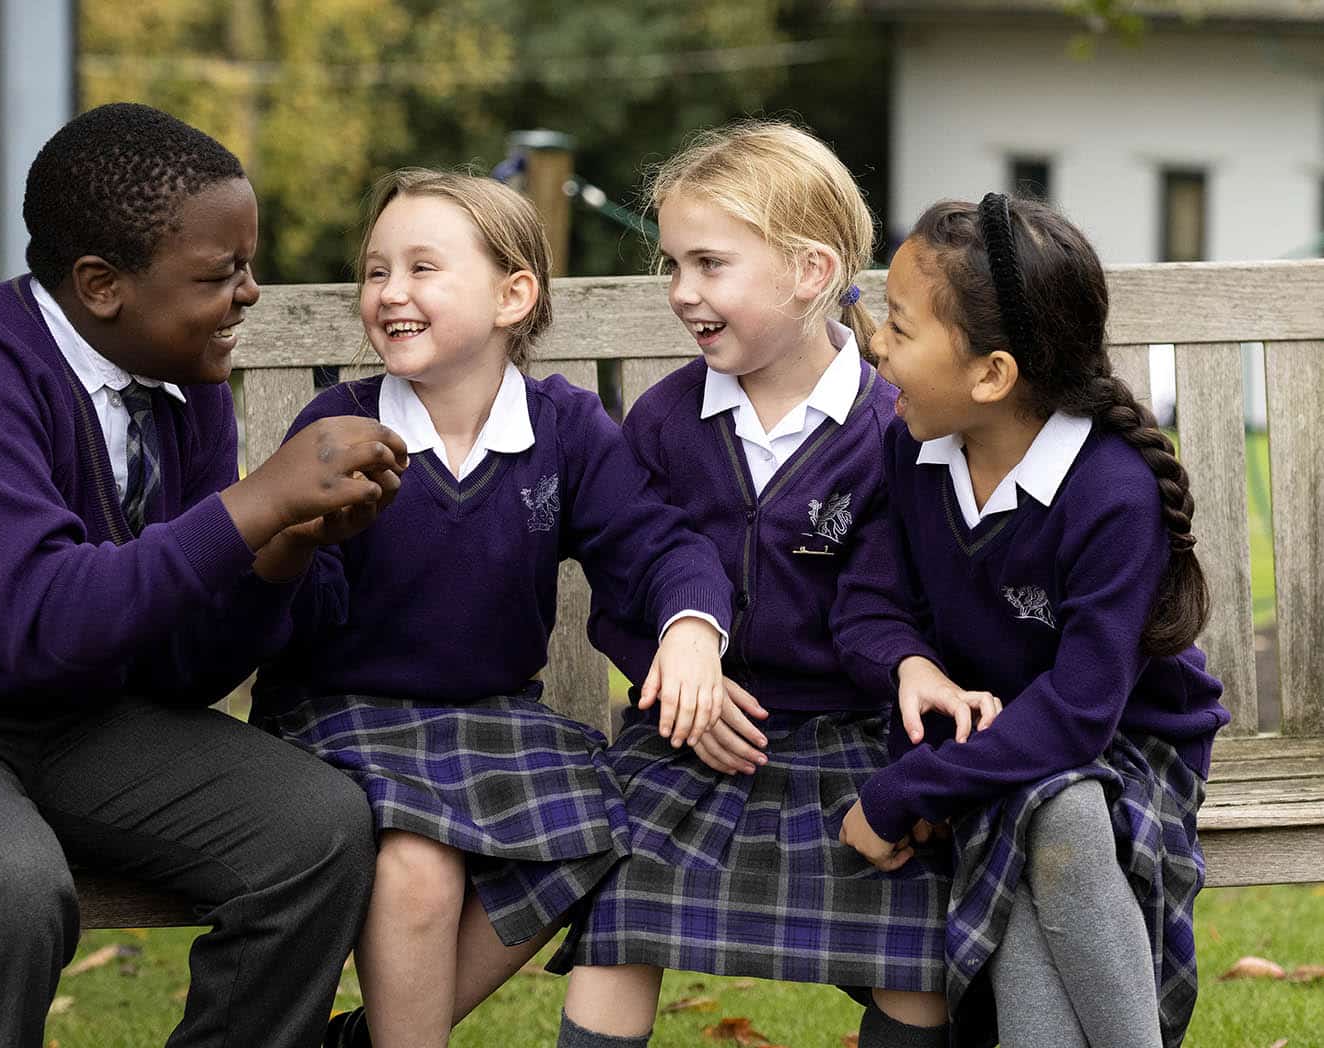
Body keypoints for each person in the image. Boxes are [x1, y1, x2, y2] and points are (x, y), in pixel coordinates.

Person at [0, 101, 409, 1048]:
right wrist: (256, 502)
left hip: (62, 715)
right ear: (102, 285)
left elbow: (177, 671)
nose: (250, 293)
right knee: (1, 878)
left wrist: (287, 545)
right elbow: (45, 620)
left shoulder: (182, 383)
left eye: (248, 266)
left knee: (312, 829)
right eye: (221, 274)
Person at [252, 168, 734, 1048]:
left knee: (609, 825)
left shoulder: (565, 429)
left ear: (514, 295)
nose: (391, 292)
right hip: (343, 712)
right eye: (375, 271)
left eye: (423, 268)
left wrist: (692, 629)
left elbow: (657, 546)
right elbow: (290, 609)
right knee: (418, 870)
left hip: (491, 715)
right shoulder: (338, 425)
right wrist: (298, 542)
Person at [550, 121, 977, 1048]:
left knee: (915, 928)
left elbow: (889, 601)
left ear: (810, 271)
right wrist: (674, 664)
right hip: (692, 739)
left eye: (709, 263)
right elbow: (625, 585)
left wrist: (904, 670)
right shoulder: (665, 422)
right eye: (672, 265)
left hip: (852, 736)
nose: (682, 293)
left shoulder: (888, 427)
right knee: (618, 912)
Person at [840, 192, 1229, 1048]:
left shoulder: (1108, 492)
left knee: (1059, 812)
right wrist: (911, 668)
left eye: (900, 328)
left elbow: (1082, 712)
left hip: (1126, 736)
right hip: (998, 732)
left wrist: (905, 791)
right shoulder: (913, 446)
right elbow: (867, 601)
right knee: (1041, 813)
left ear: (992, 374)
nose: (875, 342)